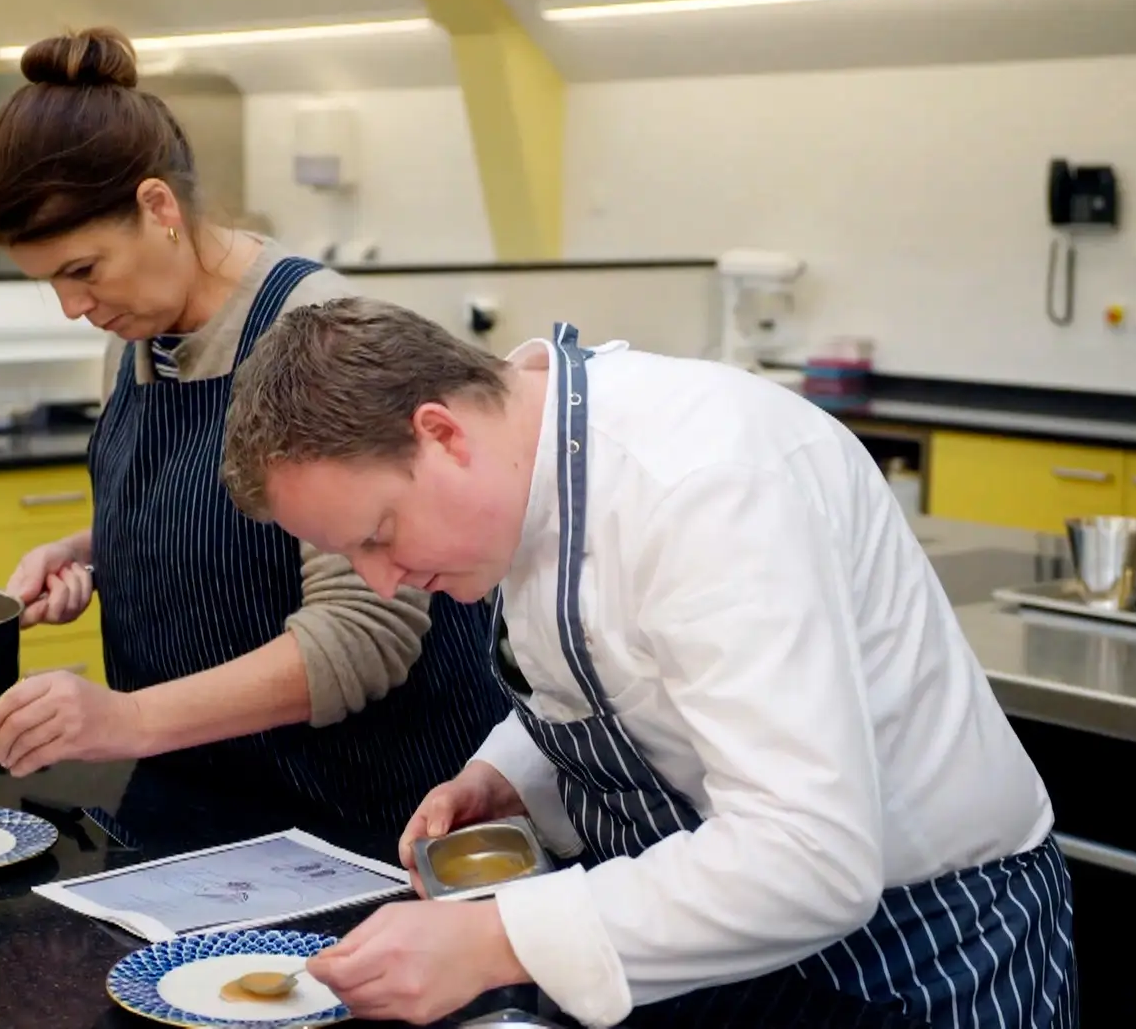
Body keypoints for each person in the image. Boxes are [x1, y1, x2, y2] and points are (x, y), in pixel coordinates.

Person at [219, 297, 1076, 1028]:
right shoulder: (536, 461)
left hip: (923, 948)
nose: (384, 579)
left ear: (441, 433)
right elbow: (625, 661)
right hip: (735, 937)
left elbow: (810, 855)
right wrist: (513, 770)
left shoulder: (704, 485)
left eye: (379, 535)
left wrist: (495, 940)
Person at [0, 28, 509, 839]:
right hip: (207, 806)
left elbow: (364, 631)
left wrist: (127, 719)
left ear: (159, 209)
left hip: (360, 820)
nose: (72, 308)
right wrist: (96, 550)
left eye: (83, 270)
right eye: (50, 282)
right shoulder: (142, 333)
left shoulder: (314, 336)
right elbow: (236, 521)